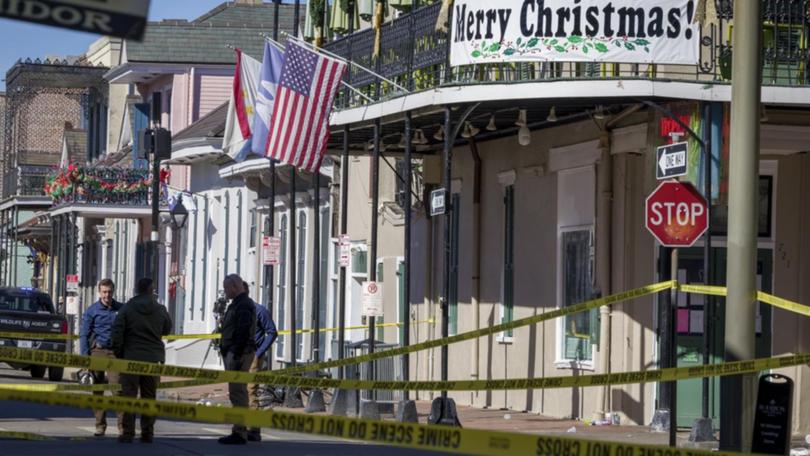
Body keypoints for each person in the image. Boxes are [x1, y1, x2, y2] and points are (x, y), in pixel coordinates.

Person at [111, 278, 172, 444]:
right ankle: (147, 432)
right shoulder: (160, 309)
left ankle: (128, 432)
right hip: (152, 359)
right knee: (149, 397)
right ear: (151, 290)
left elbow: (117, 331)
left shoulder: (127, 309)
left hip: (131, 357)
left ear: (137, 289)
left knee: (128, 396)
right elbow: (167, 329)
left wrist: (119, 352)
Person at [79, 278, 124, 437]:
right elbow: (84, 335)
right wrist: (85, 359)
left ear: (113, 292)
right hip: (98, 351)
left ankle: (122, 427)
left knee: (117, 389)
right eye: (104, 292)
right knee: (98, 390)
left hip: (115, 353)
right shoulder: (92, 310)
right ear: (99, 292)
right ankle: (100, 425)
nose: (107, 295)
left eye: (110, 292)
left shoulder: (121, 309)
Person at [217, 274, 257, 445]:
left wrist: (235, 353)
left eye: (227, 288)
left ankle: (239, 432)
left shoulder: (243, 305)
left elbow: (242, 331)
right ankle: (239, 430)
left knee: (238, 393)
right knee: (238, 392)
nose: (225, 292)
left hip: (239, 354)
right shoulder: (237, 304)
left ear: (234, 286)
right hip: (236, 352)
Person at [243, 281, 277, 442]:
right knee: (238, 391)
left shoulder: (259, 310)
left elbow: (272, 332)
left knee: (250, 391)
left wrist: (259, 352)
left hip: (252, 355)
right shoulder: (234, 310)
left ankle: (254, 430)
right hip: (237, 356)